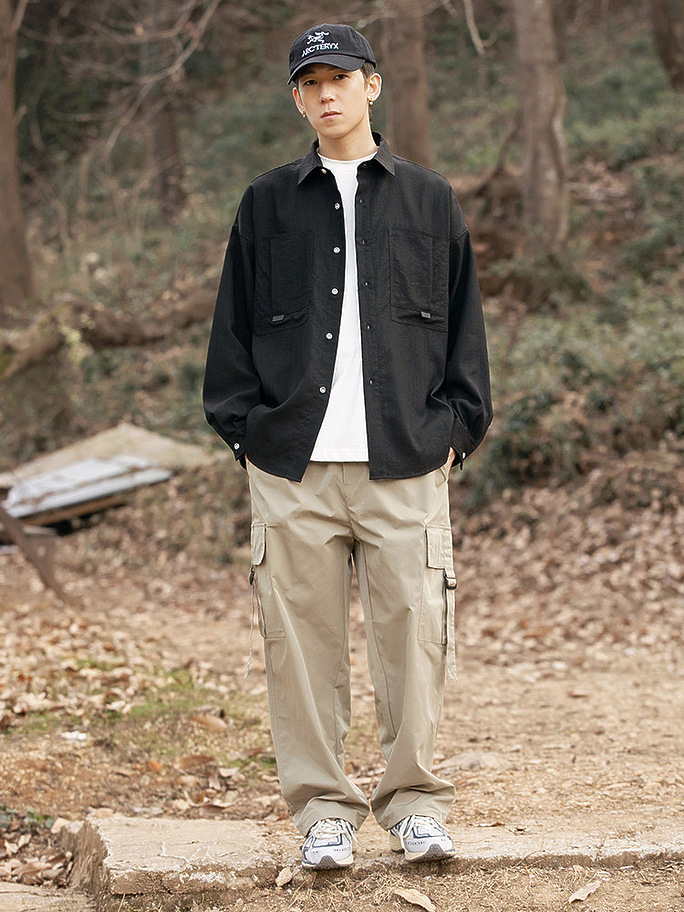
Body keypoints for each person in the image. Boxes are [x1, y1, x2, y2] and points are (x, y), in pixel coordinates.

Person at [203, 22, 492, 870]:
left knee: (416, 639)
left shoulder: (429, 199)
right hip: (292, 466)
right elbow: (231, 331)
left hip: (406, 460)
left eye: (340, 78)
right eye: (310, 83)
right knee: (299, 648)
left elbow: (465, 327)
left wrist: (457, 429)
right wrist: (247, 435)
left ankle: (415, 806)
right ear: (298, 100)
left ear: (372, 86)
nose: (326, 94)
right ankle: (324, 812)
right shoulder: (266, 203)